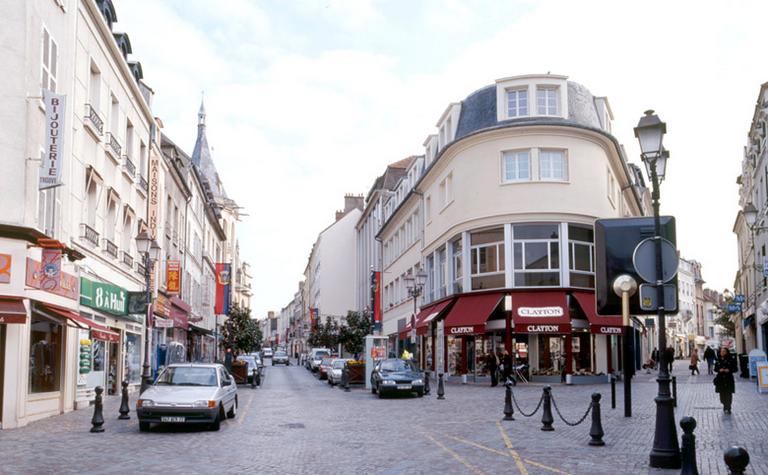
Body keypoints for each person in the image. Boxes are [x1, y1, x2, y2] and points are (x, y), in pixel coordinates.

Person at [714, 347, 738, 414]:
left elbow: (735, 369)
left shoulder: (731, 360)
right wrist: (719, 370)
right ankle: (724, 404)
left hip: (728, 379)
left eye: (724, 351)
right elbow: (715, 369)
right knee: (722, 395)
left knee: (728, 394)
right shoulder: (718, 360)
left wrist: (729, 370)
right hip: (720, 380)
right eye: (721, 351)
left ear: (727, 352)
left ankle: (728, 407)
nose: (722, 352)